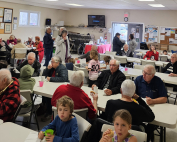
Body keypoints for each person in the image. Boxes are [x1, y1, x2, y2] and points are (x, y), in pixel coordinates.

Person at [41, 56, 68, 121]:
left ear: (57, 63)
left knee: (49, 97)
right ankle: (44, 108)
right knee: (44, 94)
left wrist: (51, 78)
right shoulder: (52, 68)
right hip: (50, 86)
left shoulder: (62, 68)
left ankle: (49, 112)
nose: (51, 63)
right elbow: (43, 75)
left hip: (59, 88)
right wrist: (47, 69)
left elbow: (63, 78)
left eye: (52, 62)